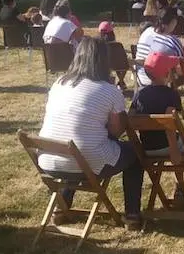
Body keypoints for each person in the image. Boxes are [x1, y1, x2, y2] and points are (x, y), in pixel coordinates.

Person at [37, 37, 144, 228]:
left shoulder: (58, 84)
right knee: (134, 153)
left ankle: (61, 207)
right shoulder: (109, 90)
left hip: (48, 159)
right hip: (84, 159)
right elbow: (116, 131)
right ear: (104, 61)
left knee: (77, 146)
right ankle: (132, 215)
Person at [129, 52, 184, 203]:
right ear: (167, 73)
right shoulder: (171, 94)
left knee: (180, 144)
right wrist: (173, 150)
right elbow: (169, 123)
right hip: (168, 145)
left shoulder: (140, 94)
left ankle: (181, 188)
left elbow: (130, 119)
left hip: (146, 148)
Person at [134, 8, 184, 87]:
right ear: (172, 23)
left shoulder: (146, 32)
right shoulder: (172, 41)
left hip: (140, 78)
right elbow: (182, 64)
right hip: (160, 82)